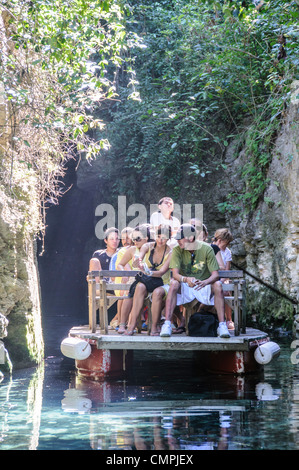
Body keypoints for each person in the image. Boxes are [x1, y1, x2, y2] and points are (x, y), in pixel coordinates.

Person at [159, 223, 230, 338]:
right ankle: (167, 324)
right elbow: (175, 274)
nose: (178, 241)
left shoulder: (207, 248)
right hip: (185, 285)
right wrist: (186, 279)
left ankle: (222, 325)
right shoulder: (177, 250)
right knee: (173, 283)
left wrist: (205, 282)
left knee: (217, 284)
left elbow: (215, 275)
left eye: (180, 238)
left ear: (191, 238)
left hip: (204, 285)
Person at [124, 224, 173, 336]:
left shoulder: (171, 252)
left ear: (168, 239)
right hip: (147, 281)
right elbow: (139, 255)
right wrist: (138, 261)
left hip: (162, 283)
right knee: (140, 286)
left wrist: (148, 272)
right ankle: (131, 326)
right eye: (159, 236)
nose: (160, 240)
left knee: (157, 292)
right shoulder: (148, 246)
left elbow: (161, 273)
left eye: (164, 237)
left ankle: (154, 326)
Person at [116, 224, 150, 334]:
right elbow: (120, 264)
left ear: (146, 238)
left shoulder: (152, 248)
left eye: (138, 238)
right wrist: (125, 273)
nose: (135, 241)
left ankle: (152, 323)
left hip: (149, 278)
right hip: (136, 279)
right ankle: (122, 324)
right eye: (134, 238)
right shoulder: (132, 250)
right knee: (129, 293)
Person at [213, 228, 234, 330]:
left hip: (222, 278)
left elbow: (227, 271)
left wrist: (221, 280)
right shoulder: (210, 249)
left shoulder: (227, 252)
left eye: (227, 244)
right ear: (219, 240)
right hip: (211, 278)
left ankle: (229, 319)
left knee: (225, 291)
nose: (225, 246)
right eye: (224, 243)